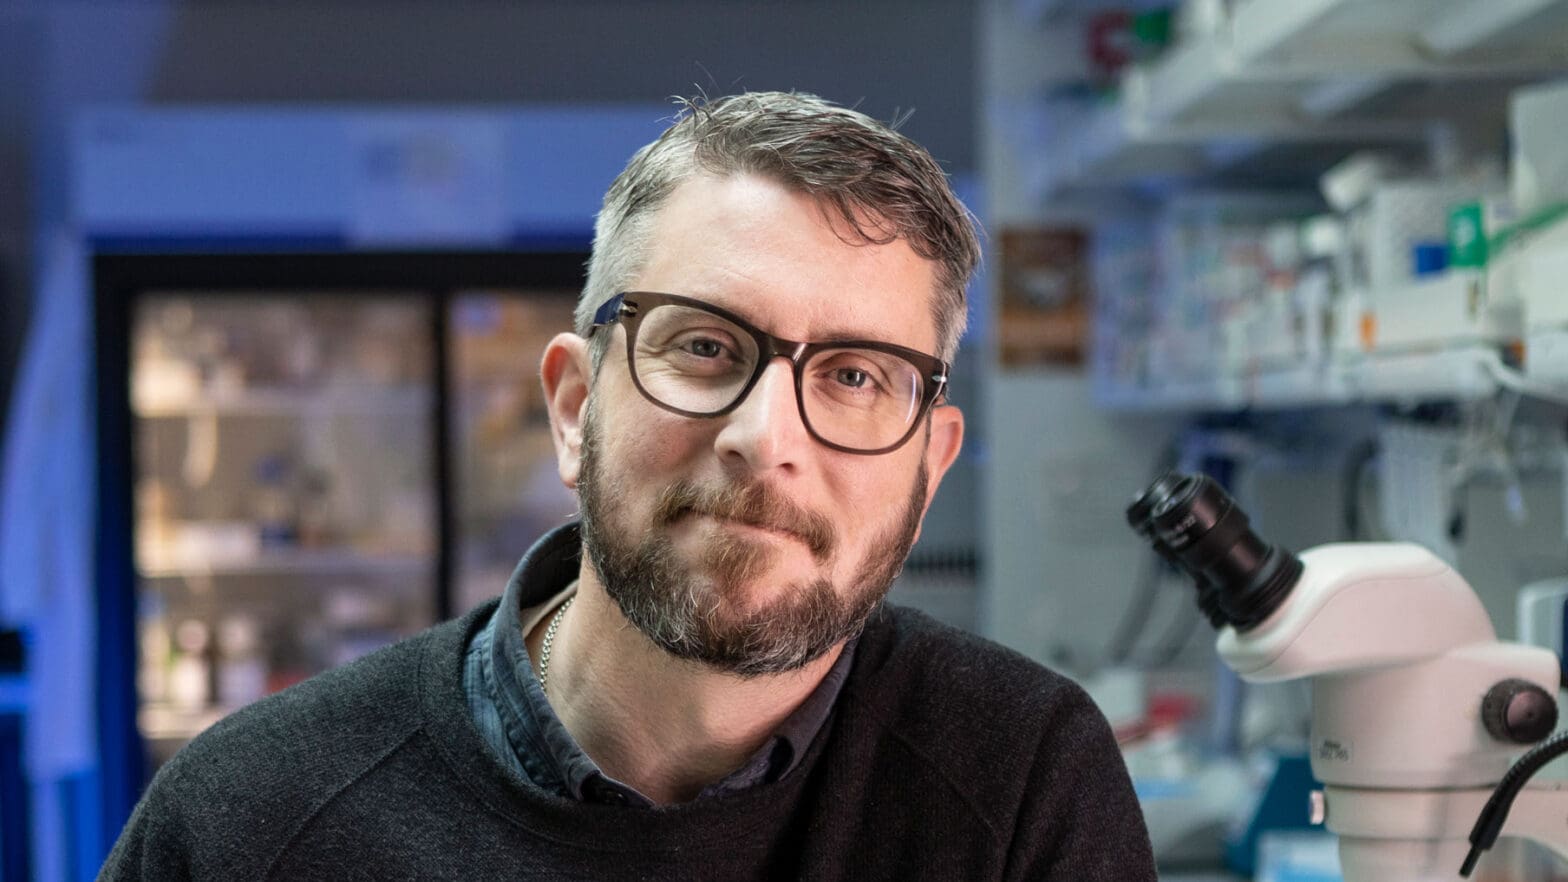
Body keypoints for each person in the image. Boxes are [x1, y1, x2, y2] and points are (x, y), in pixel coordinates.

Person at [102, 92, 1156, 881]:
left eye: (853, 376)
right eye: (702, 346)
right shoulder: (251, 820)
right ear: (573, 407)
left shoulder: (1020, 781)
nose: (763, 437)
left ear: (928, 468)